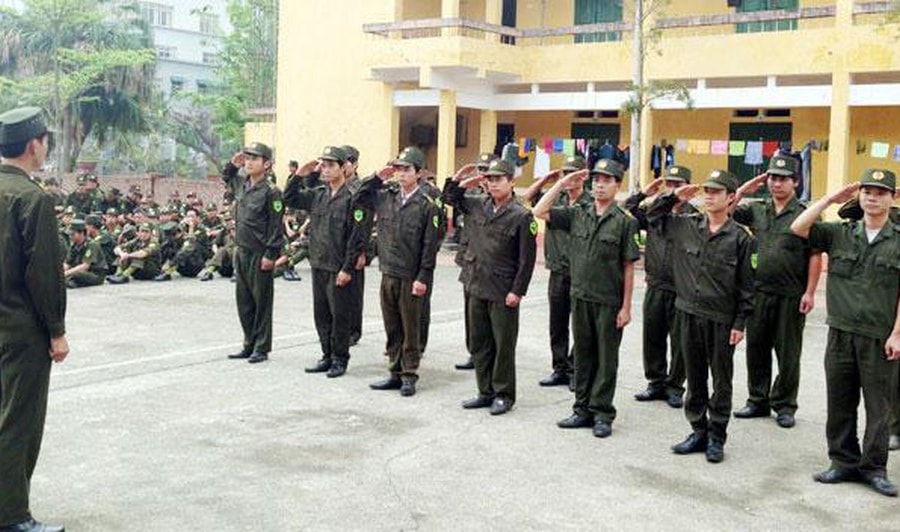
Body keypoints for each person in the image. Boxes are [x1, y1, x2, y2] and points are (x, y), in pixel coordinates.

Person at [790, 169, 900, 498]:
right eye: (867, 191)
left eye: (881, 192)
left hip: (879, 336)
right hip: (840, 331)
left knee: (878, 406)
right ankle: (842, 462)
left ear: (892, 199)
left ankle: (874, 468)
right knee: (840, 400)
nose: (872, 197)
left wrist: (897, 333)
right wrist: (829, 199)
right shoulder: (840, 233)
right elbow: (798, 227)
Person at [648, 170, 755, 463]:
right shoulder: (686, 225)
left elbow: (747, 286)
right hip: (687, 312)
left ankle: (717, 437)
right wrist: (672, 197)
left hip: (720, 318)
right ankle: (698, 430)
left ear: (731, 197)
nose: (708, 195)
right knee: (694, 377)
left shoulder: (741, 239)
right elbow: (650, 217)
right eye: (706, 190)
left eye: (716, 191)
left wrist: (740, 323)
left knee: (721, 380)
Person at [534, 159, 639, 438]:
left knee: (606, 359)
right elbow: (538, 210)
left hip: (608, 301)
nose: (600, 184)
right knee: (582, 356)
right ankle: (581, 409)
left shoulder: (625, 222)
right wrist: (561, 184)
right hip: (580, 296)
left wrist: (626, 307)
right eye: (597, 179)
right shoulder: (578, 213)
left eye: (607, 180)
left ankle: (602, 412)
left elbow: (629, 267)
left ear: (617, 185)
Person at [0, 106, 68, 532]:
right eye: (45, 141)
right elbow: (43, 273)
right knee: (17, 422)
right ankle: (11, 516)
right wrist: (57, 330)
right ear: (33, 145)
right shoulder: (32, 199)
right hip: (21, 330)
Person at [731, 155, 823, 429]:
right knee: (756, 348)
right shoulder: (758, 209)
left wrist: (810, 292)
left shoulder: (805, 214)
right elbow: (727, 208)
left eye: (782, 178)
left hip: (791, 294)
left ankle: (784, 405)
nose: (776, 183)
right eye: (772, 177)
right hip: (759, 291)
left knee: (788, 353)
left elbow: (815, 255)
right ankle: (757, 400)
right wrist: (744, 189)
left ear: (795, 182)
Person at [443, 158, 537, 416]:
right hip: (476, 283)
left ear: (512, 182)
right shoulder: (477, 205)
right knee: (480, 343)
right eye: (490, 179)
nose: (493, 183)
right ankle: (485, 391)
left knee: (503, 345)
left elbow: (526, 260)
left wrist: (517, 291)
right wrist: (461, 180)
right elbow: (450, 199)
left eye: (498, 179)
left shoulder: (521, 215)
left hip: (502, 289)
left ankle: (504, 394)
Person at [355, 147, 441, 396]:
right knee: (392, 325)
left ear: (419, 173)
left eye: (406, 170)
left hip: (411, 275)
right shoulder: (387, 196)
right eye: (398, 169)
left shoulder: (427, 204)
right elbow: (358, 197)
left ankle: (409, 374)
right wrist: (376, 177)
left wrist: (423, 277)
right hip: (388, 271)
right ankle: (394, 371)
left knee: (410, 328)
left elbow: (430, 245)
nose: (400, 174)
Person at [283, 146, 367, 378]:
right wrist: (299, 174)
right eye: (324, 165)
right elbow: (289, 197)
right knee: (321, 314)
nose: (326, 170)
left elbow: (356, 236)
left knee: (340, 315)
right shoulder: (318, 194)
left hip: (339, 266)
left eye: (332, 165)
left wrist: (348, 268)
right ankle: (326, 355)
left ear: (343, 168)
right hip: (319, 262)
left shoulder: (352, 197)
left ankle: (340, 359)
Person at [626, 165, 697, 408]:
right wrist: (644, 194)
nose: (673, 189)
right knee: (653, 336)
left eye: (678, 185)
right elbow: (628, 212)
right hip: (655, 285)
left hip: (682, 289)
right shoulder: (655, 213)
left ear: (688, 187)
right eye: (670, 184)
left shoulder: (695, 217)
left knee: (680, 342)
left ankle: (675, 386)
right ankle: (655, 382)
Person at [523, 155, 591, 390]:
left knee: (580, 325)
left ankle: (575, 368)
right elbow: (529, 198)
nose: (568, 178)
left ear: (584, 175)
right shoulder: (556, 198)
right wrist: (547, 179)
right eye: (565, 173)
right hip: (558, 270)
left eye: (573, 173)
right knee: (557, 323)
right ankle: (559, 367)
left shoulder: (590, 202)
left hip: (582, 272)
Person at [219, 143, 284, 364]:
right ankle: (248, 342)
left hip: (260, 252)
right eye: (247, 158)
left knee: (262, 302)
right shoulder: (241, 184)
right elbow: (226, 177)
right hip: (242, 250)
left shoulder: (272, 192)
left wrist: (271, 254)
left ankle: (261, 347)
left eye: (254, 159)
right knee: (244, 301)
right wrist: (232, 164)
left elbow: (276, 226)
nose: (248, 162)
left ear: (266, 164)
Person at [448, 153, 496, 371]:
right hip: (470, 260)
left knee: (492, 316)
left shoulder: (504, 197)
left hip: (494, 266)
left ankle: (491, 355)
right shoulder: (471, 195)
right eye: (480, 170)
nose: (483, 175)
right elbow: (447, 198)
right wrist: (460, 178)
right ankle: (474, 353)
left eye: (487, 170)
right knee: (471, 313)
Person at [63, 219, 107, 288]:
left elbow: (85, 266)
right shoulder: (74, 245)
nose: (70, 237)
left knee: (76, 274)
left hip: (95, 274)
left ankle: (70, 282)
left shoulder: (92, 244)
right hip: (82, 272)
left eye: (73, 234)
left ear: (82, 233)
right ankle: (70, 282)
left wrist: (65, 274)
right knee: (71, 275)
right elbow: (67, 263)